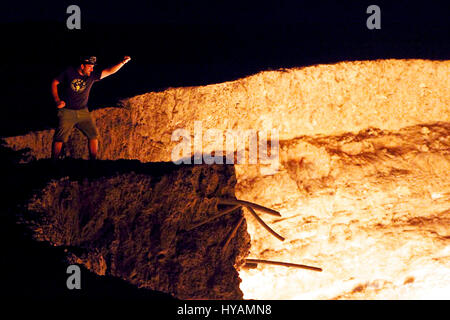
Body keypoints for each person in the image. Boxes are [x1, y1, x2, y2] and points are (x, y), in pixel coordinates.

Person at [51, 55, 131, 161]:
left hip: (83, 111)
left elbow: (109, 71)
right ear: (82, 66)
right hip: (67, 111)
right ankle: (53, 162)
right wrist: (57, 100)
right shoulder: (69, 72)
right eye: (90, 66)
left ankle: (93, 161)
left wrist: (122, 63)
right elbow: (54, 82)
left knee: (93, 135)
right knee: (59, 138)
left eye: (93, 67)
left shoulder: (91, 75)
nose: (92, 69)